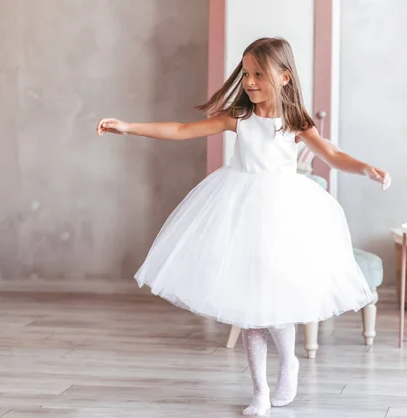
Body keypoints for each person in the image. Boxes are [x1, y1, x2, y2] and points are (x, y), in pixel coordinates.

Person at [96, 37, 391, 416]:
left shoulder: (295, 121)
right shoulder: (240, 117)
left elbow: (331, 155)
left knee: (275, 303)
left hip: (283, 215)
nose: (249, 82)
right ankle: (260, 391)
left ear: (284, 77)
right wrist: (129, 127)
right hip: (238, 209)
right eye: (246, 73)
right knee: (249, 308)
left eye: (258, 75)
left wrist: (366, 168)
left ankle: (289, 362)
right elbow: (182, 129)